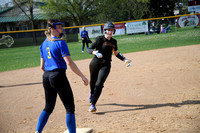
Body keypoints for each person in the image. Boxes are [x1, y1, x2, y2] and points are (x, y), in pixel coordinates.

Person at [35, 19, 88, 133]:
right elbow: (69, 63)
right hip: (58, 76)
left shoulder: (43, 44)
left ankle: (37, 131)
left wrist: (50, 70)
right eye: (58, 27)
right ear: (52, 29)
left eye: (61, 26)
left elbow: (42, 67)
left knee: (48, 107)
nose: (61, 29)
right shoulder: (60, 42)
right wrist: (82, 76)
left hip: (46, 77)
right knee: (69, 108)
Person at [87, 22, 131, 112]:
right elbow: (89, 49)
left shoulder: (114, 42)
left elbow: (116, 53)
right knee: (93, 82)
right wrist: (95, 52)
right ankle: (92, 93)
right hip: (95, 63)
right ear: (105, 30)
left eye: (112, 30)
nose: (110, 32)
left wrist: (124, 59)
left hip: (106, 64)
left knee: (99, 84)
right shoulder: (99, 39)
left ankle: (93, 105)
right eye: (108, 30)